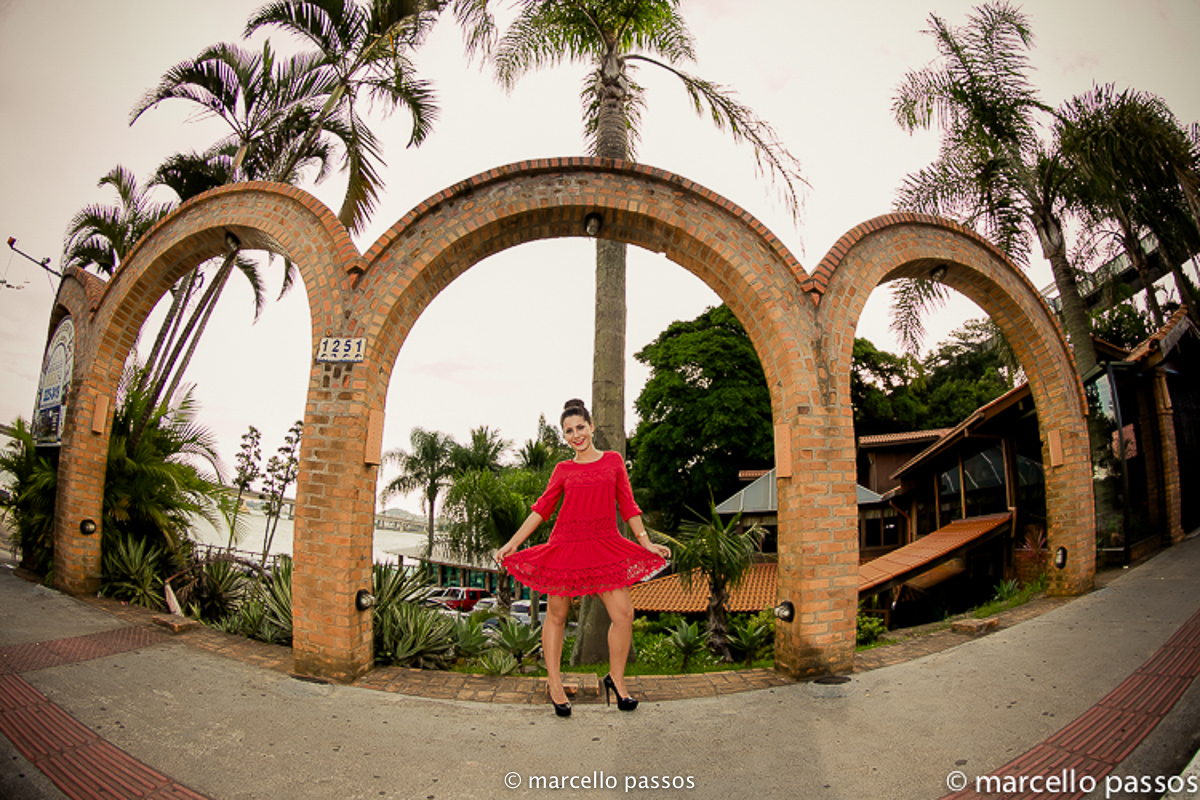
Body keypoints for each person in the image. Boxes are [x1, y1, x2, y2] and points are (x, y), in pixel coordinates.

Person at [495, 399, 670, 717]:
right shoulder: (563, 469)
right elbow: (541, 509)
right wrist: (512, 544)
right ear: (564, 436)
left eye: (580, 427)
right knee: (557, 616)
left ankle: (616, 680)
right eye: (569, 431)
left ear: (591, 426)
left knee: (624, 615)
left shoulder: (613, 461)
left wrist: (646, 543)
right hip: (567, 547)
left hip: (604, 546)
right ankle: (554, 683)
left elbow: (628, 505)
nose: (576, 435)